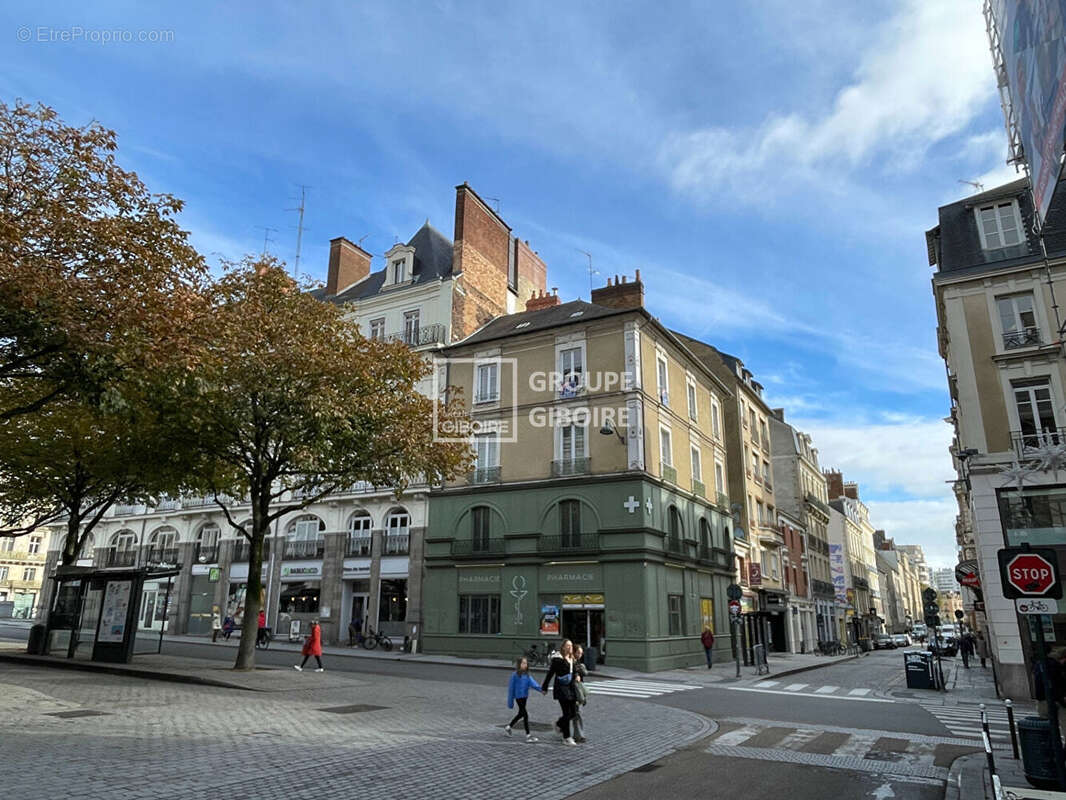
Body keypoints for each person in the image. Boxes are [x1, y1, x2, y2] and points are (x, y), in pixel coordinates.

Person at [541, 638, 578, 746]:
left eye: (571, 645)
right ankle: (567, 737)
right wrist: (545, 687)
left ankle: (558, 724)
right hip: (561, 688)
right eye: (567, 645)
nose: (570, 647)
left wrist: (577, 676)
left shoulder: (572, 658)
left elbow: (575, 672)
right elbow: (550, 673)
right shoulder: (558, 659)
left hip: (571, 688)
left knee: (573, 713)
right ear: (563, 647)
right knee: (566, 713)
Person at [505, 656, 545, 743]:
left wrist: (541, 690)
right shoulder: (515, 675)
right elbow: (511, 689)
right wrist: (510, 702)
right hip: (518, 698)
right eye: (523, 663)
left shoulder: (527, 675)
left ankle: (509, 726)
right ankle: (528, 735)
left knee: (521, 714)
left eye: (526, 663)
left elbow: (534, 684)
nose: (525, 665)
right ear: (519, 664)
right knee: (525, 715)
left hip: (524, 697)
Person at [1033, 646, 1066, 719]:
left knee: (1046, 723)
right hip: (1054, 699)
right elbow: (1058, 684)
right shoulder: (1055, 665)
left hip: (1042, 699)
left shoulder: (1039, 664)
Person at [572, 645, 589, 743]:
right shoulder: (571, 662)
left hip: (578, 690)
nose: (580, 655)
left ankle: (560, 725)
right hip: (574, 691)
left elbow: (584, 675)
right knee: (578, 713)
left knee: (575, 714)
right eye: (578, 653)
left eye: (581, 653)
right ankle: (579, 735)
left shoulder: (578, 663)